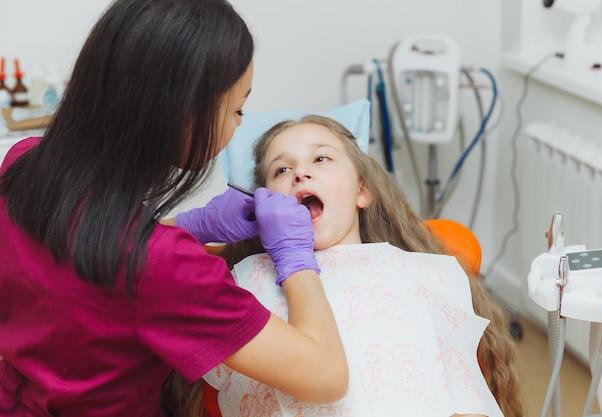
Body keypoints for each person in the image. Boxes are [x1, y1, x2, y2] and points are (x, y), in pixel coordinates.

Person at [0, 2, 349, 416]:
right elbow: (327, 377)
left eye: (322, 160)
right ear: (184, 113)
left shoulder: (25, 162)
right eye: (237, 109)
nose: (239, 123)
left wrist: (189, 226)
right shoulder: (165, 268)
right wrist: (295, 259)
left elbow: (90, 252)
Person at [164, 114, 524, 417]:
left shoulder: (425, 275)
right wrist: (190, 229)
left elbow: (463, 394)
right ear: (261, 205)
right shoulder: (242, 281)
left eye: (321, 159)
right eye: (282, 169)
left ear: (361, 190)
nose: (300, 173)